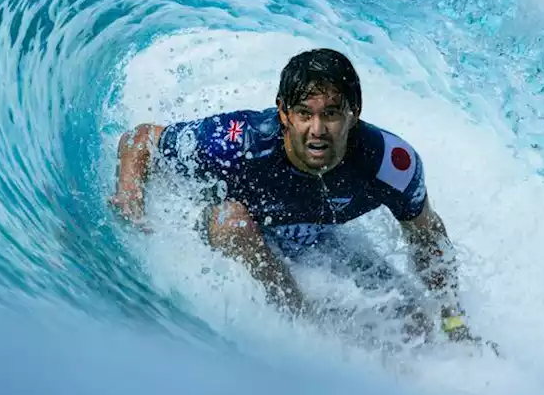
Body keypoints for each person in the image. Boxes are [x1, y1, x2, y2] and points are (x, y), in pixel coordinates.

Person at [110, 47, 489, 348]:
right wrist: (130, 198)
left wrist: (453, 319)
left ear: (354, 114)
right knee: (232, 222)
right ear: (284, 114)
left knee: (417, 325)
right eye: (304, 114)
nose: (317, 129)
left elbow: (426, 235)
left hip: (317, 239)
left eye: (332, 114)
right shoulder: (241, 141)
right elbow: (140, 139)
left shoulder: (388, 162)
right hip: (229, 228)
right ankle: (300, 323)